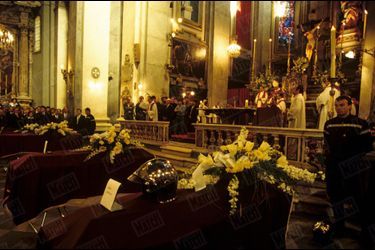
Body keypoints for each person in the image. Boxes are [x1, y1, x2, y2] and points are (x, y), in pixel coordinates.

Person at [323, 95, 374, 246]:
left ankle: (364, 231)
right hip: (335, 167)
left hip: (354, 168)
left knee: (359, 199)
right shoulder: (329, 124)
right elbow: (327, 146)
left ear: (350, 106)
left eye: (342, 105)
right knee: (336, 199)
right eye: (337, 105)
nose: (339, 108)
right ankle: (339, 228)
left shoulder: (361, 124)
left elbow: (366, 146)